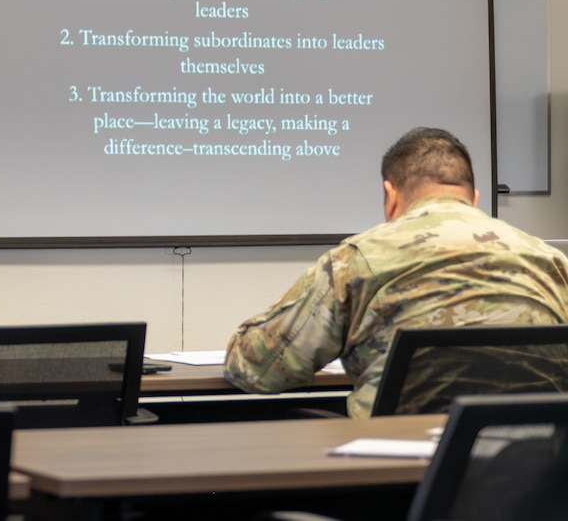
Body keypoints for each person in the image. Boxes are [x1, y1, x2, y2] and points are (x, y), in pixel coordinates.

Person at [224, 126, 568, 417]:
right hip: (532, 467)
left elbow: (257, 368)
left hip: (395, 463)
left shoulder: (357, 260)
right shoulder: (551, 261)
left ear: (390, 195)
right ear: (473, 199)